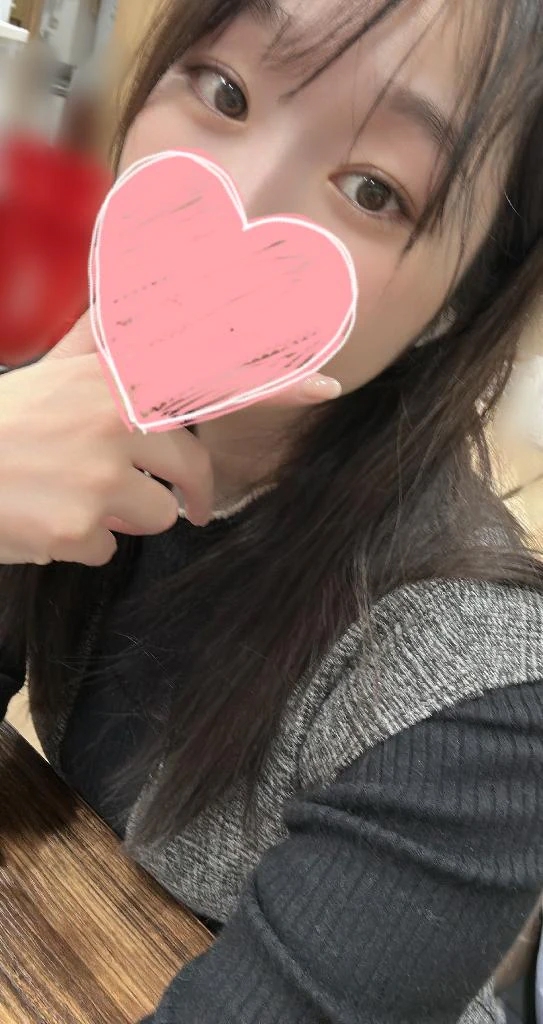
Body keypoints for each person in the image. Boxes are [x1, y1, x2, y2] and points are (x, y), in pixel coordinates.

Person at [0, 1, 542, 1022]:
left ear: (462, 299)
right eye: (224, 91)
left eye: (374, 190)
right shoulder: (77, 401)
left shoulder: (483, 702)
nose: (239, 206)